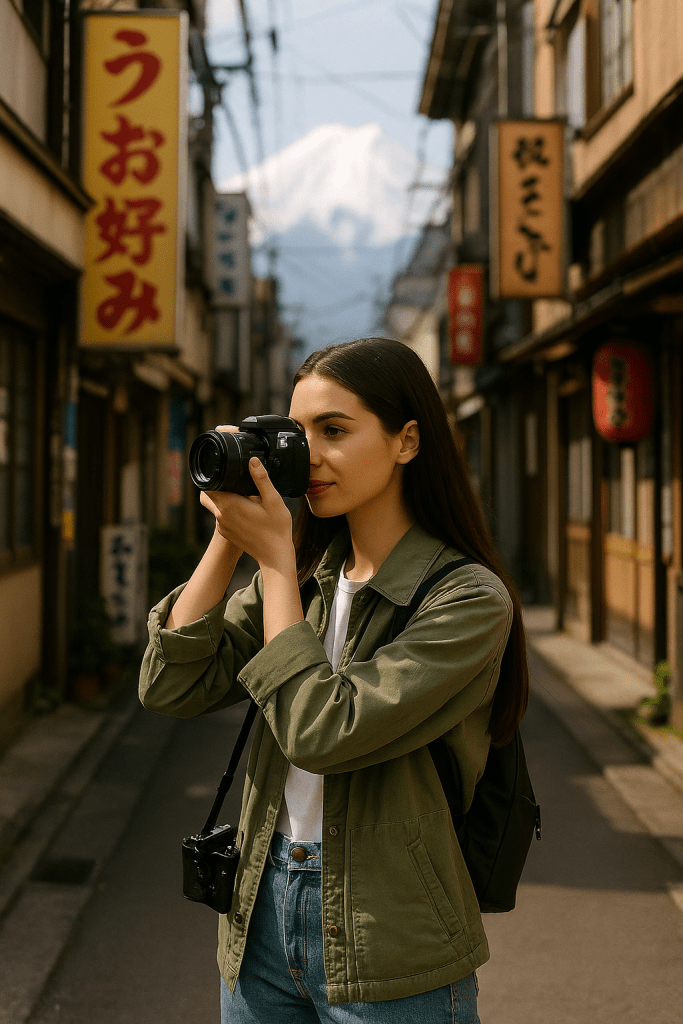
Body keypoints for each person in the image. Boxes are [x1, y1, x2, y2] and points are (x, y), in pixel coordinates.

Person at [139, 336, 528, 1023]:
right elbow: (171, 684)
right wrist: (231, 532)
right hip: (259, 909)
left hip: (390, 934)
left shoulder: (466, 600)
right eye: (297, 433)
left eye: (335, 431)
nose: (307, 455)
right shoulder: (312, 578)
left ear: (406, 441)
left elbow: (323, 732)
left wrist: (274, 560)